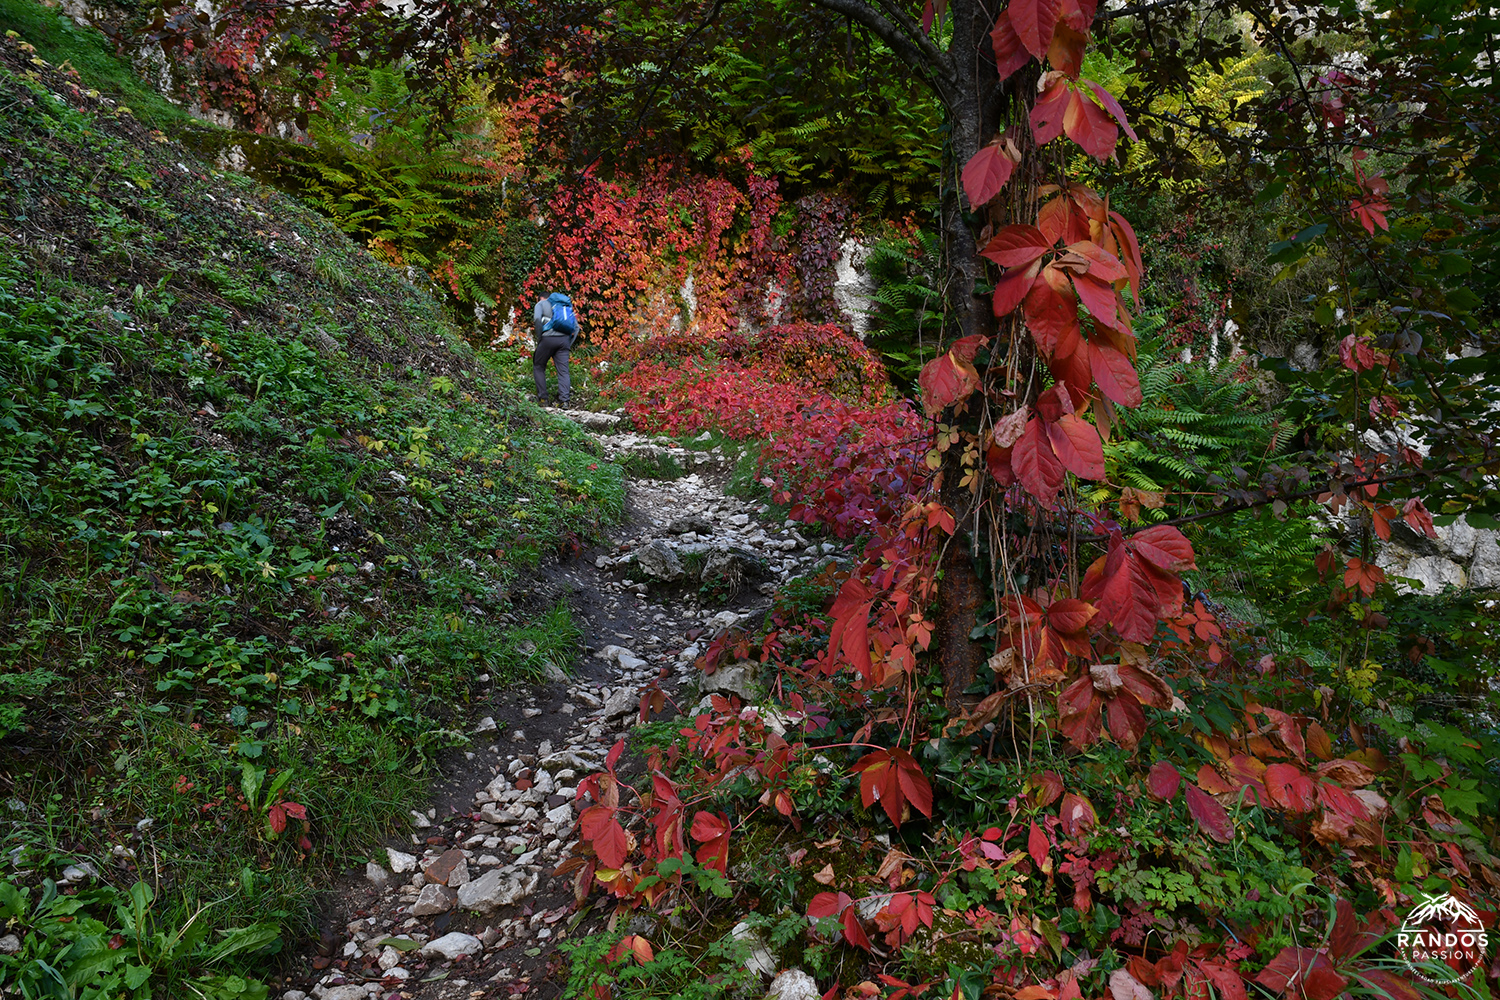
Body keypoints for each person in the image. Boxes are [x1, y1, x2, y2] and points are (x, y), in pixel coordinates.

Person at [531, 291, 577, 408]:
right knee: (563, 371)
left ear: (540, 298)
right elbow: (576, 328)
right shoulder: (564, 306)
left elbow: (537, 319)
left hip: (548, 339)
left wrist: (540, 338)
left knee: (538, 366)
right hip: (564, 340)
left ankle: (543, 399)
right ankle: (564, 401)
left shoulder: (540, 304)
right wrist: (568, 343)